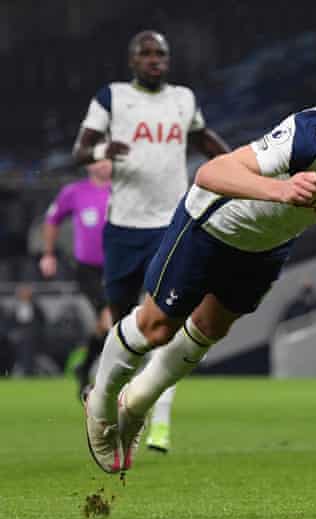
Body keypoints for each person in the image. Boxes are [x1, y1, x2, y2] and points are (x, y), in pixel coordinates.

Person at [83, 96, 316, 474]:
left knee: (210, 328)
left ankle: (137, 404)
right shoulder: (315, 136)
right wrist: (281, 190)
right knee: (157, 328)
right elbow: (212, 173)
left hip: (268, 244)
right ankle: (101, 402)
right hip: (211, 226)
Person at [72, 30, 230, 453]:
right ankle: (106, 398)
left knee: (168, 323)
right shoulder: (112, 97)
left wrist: (242, 164)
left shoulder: (183, 99)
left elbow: (202, 139)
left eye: (161, 53)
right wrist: (107, 147)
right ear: (132, 60)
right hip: (123, 228)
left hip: (172, 225)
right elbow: (81, 151)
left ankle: (159, 421)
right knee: (121, 324)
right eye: (146, 53)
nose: (155, 59)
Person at [40, 160, 112, 397]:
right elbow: (52, 220)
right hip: (88, 269)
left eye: (107, 159)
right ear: (89, 165)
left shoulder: (124, 190)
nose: (103, 165)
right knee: (110, 319)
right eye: (98, 160)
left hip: (120, 267)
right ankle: (106, 377)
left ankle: (85, 367)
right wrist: (48, 254)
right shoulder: (74, 192)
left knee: (106, 325)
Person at [7, 284, 46, 376]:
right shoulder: (14, 308)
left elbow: (41, 323)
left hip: (33, 335)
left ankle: (27, 369)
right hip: (18, 335)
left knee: (27, 343)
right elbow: (10, 324)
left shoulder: (36, 308)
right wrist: (12, 333)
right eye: (22, 293)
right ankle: (24, 368)